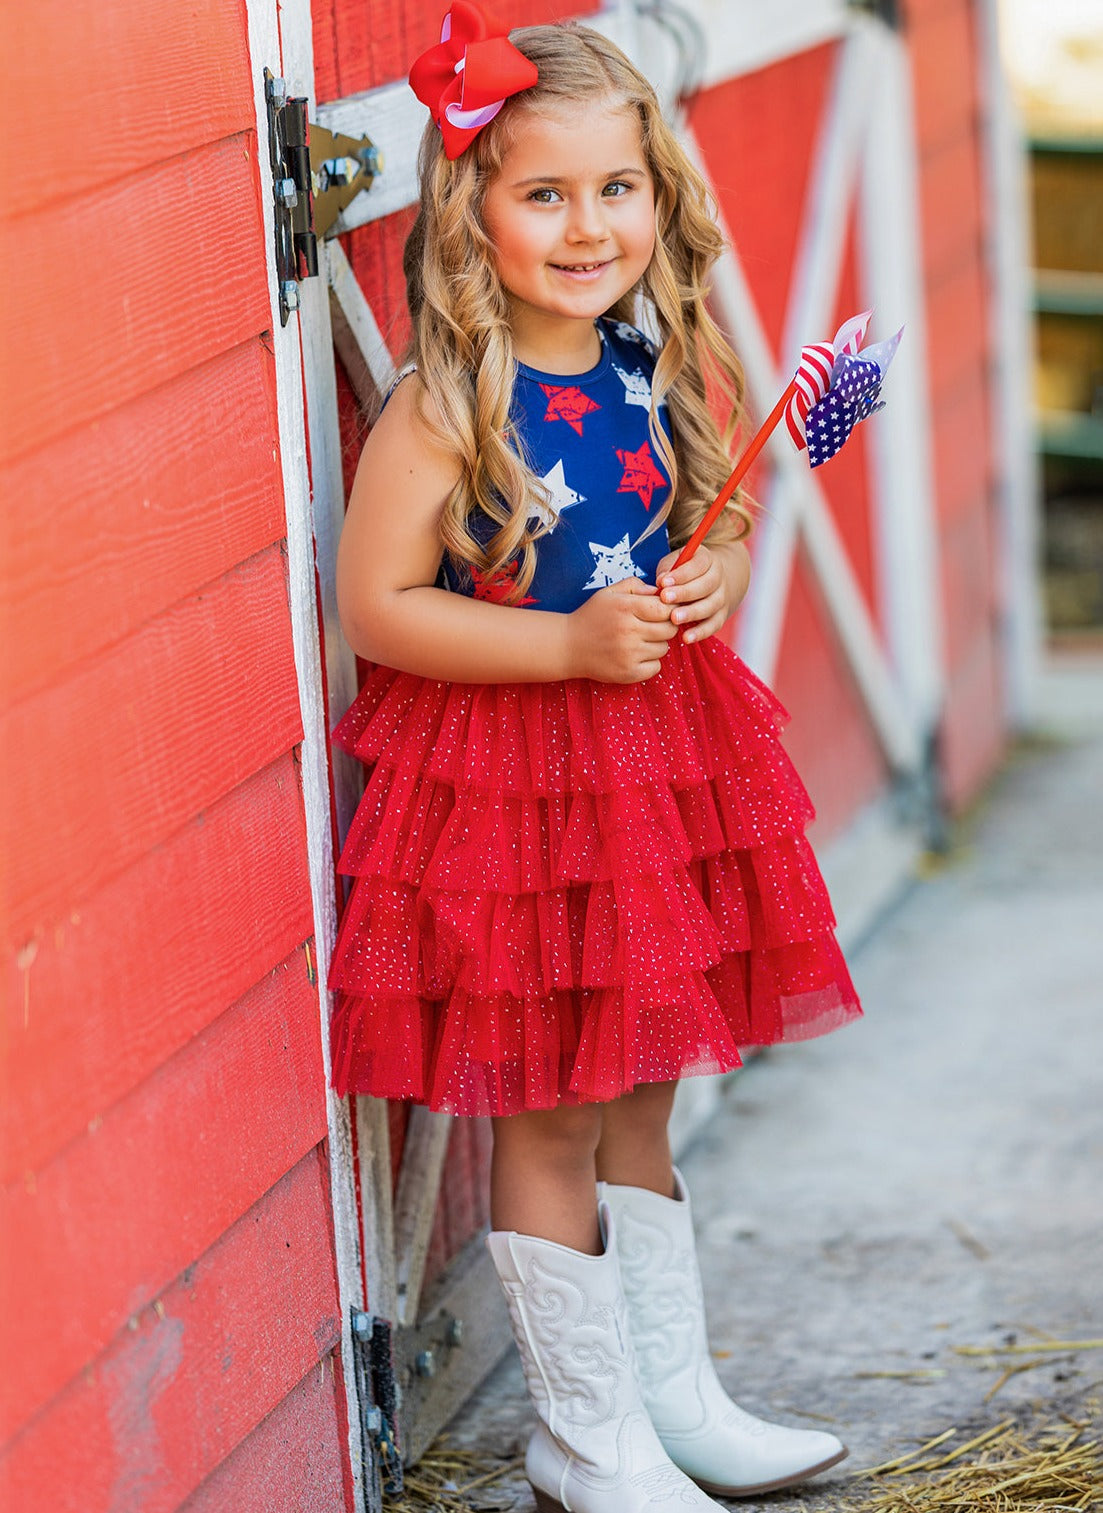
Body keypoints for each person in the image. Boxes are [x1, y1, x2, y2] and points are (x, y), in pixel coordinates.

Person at [328, 8, 862, 1509]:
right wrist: (565, 645)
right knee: (555, 1098)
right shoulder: (450, 405)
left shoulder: (656, 355)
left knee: (643, 1091)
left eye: (615, 188)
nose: (588, 227)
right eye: (544, 194)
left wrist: (717, 573)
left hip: (654, 764)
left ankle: (672, 1400)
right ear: (472, 208)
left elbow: (717, 512)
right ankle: (585, 1438)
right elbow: (379, 606)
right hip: (518, 788)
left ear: (657, 192)